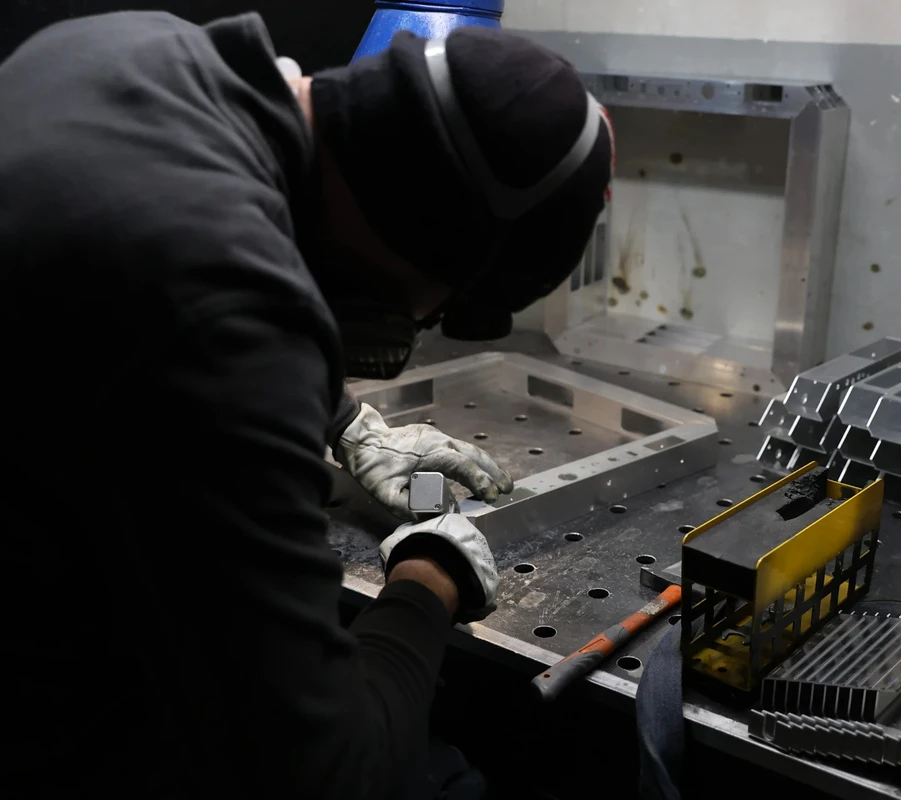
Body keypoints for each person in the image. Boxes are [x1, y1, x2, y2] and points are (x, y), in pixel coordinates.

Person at [0, 11, 612, 799]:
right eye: (434, 307)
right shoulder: (216, 308)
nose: (419, 321)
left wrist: (345, 422)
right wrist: (430, 579)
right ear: (430, 236)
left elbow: (131, 299)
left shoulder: (133, 49)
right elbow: (331, 774)